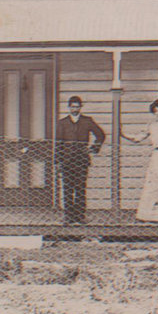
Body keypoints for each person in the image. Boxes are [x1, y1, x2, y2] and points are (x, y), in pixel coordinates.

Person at [55, 96, 105, 225]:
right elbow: (58, 143)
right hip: (66, 161)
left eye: (77, 107)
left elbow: (100, 135)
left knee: (80, 189)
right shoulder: (62, 123)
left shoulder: (87, 121)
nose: (75, 109)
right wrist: (58, 162)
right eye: (72, 107)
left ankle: (80, 216)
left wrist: (93, 148)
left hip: (81, 160)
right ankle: (68, 217)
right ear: (69, 107)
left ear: (80, 107)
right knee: (67, 189)